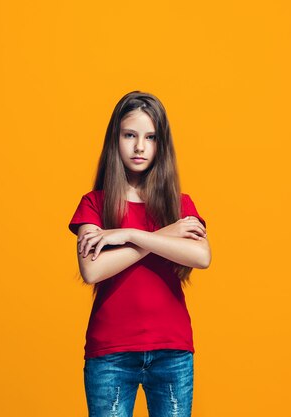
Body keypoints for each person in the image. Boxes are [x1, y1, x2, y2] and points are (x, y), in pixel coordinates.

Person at [68, 90, 211, 417]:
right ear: (115, 139)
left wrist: (129, 235)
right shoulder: (94, 204)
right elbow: (92, 270)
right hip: (111, 354)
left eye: (150, 137)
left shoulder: (179, 204)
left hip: (171, 351)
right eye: (130, 135)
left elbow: (201, 257)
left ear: (162, 145)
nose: (139, 147)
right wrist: (159, 237)